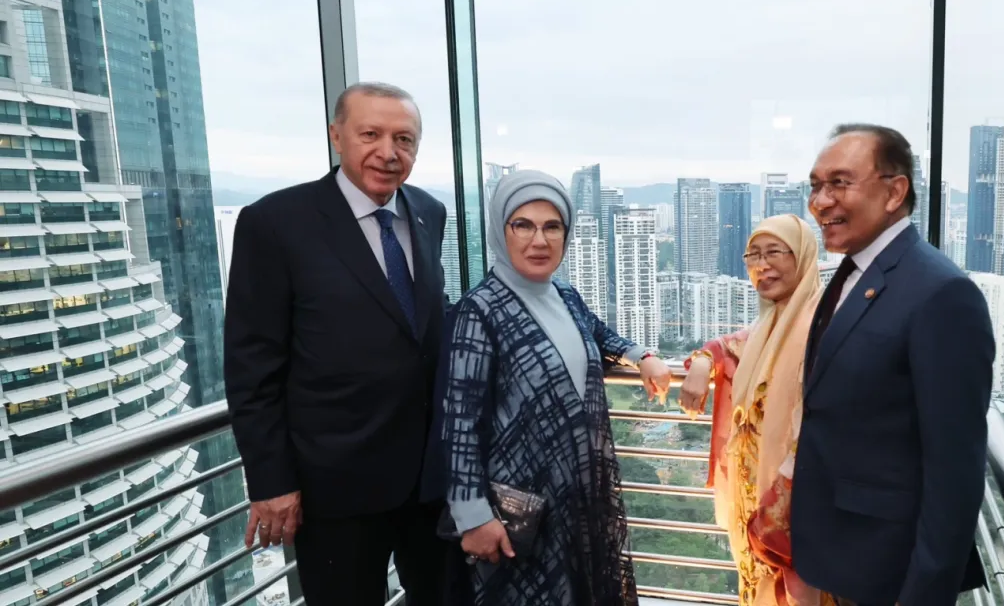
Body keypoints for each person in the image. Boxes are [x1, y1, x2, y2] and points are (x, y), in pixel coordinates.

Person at [223, 82, 453, 605]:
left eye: (404, 139)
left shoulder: (429, 212)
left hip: (429, 483)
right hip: (333, 491)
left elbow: (427, 327)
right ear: (336, 136)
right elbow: (250, 367)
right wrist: (271, 481)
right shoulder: (275, 223)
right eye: (370, 134)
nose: (388, 152)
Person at [435, 170, 670, 606]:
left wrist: (642, 356)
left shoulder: (563, 294)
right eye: (522, 225)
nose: (539, 240)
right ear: (500, 230)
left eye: (552, 226)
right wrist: (471, 515)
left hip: (578, 498)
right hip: (518, 514)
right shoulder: (480, 310)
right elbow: (459, 422)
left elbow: (596, 333)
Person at [792, 124, 994, 606]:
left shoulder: (941, 293)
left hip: (890, 572)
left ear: (894, 192)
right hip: (844, 556)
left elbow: (955, 470)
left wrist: (924, 594)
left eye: (839, 183)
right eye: (815, 186)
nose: (820, 202)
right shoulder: (853, 270)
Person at [679, 214, 830, 606]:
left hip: (794, 506)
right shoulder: (771, 324)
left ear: (803, 256)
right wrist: (703, 360)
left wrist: (780, 505)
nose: (762, 266)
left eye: (774, 253)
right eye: (753, 256)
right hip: (754, 503)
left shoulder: (826, 328)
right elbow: (733, 346)